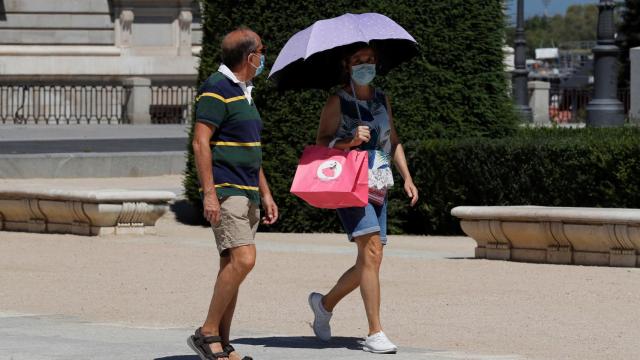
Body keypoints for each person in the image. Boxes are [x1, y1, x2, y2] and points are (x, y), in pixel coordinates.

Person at [310, 45, 419, 354]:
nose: (365, 65)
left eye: (369, 60)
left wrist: (407, 177)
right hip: (349, 182)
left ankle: (324, 304)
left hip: (379, 180)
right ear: (347, 65)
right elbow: (321, 143)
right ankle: (375, 332)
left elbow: (392, 140)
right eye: (358, 61)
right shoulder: (337, 100)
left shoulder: (383, 99)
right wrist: (349, 140)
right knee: (371, 251)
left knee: (371, 259)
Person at [189, 27, 278, 360]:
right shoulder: (216, 88)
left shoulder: (245, 91)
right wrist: (209, 194)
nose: (263, 57)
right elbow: (201, 142)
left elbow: (250, 149)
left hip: (248, 191)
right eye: (262, 50)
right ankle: (207, 332)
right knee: (244, 259)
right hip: (228, 191)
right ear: (249, 55)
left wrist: (266, 193)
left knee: (231, 264)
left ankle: (222, 346)